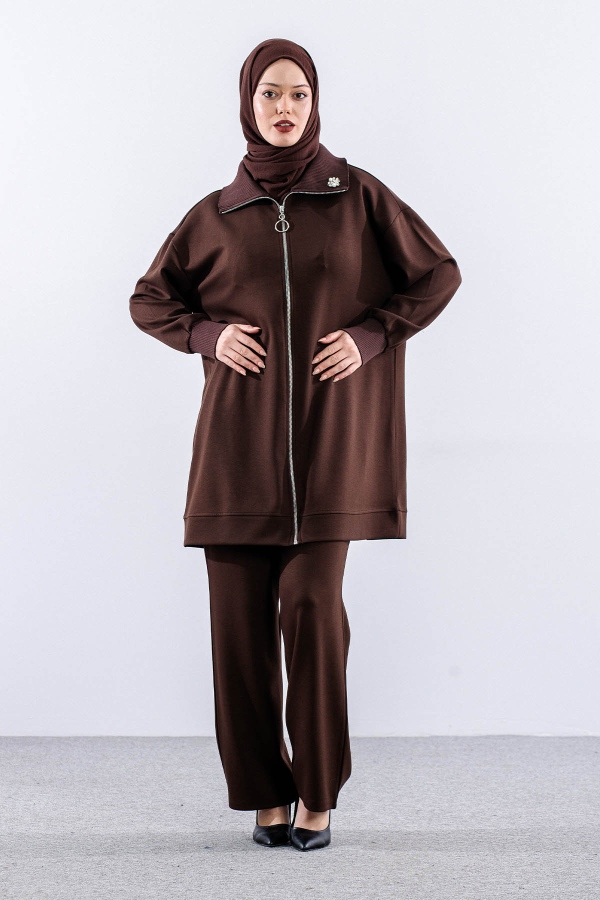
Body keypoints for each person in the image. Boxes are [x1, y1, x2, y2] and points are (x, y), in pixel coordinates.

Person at [129, 37, 462, 852]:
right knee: (237, 635)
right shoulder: (216, 214)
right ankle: (264, 795)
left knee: (313, 612)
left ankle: (318, 790)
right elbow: (148, 299)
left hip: (330, 454)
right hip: (235, 456)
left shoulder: (358, 196)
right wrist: (206, 334)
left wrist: (372, 337)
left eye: (299, 94)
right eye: (271, 93)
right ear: (248, 103)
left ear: (316, 103)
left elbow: (438, 273)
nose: (285, 108)